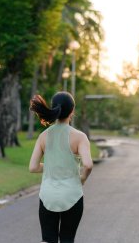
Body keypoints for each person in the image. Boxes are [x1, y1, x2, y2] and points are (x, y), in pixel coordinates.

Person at [28, 91, 93, 243]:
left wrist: (52, 166)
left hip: (47, 197)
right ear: (72, 111)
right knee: (67, 239)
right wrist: (82, 178)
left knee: (48, 240)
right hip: (72, 196)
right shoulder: (80, 137)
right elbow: (88, 165)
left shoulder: (43, 136)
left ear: (54, 109)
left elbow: (33, 167)